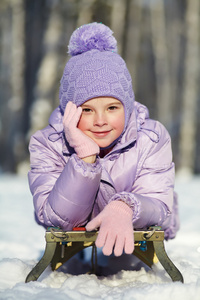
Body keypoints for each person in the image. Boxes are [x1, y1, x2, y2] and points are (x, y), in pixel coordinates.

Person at [28, 22, 179, 257]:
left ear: (127, 108)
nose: (100, 121)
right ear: (70, 111)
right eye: (87, 110)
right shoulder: (48, 143)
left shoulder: (151, 137)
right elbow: (56, 218)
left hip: (137, 228)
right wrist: (85, 159)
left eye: (111, 107)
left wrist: (125, 206)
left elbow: (159, 206)